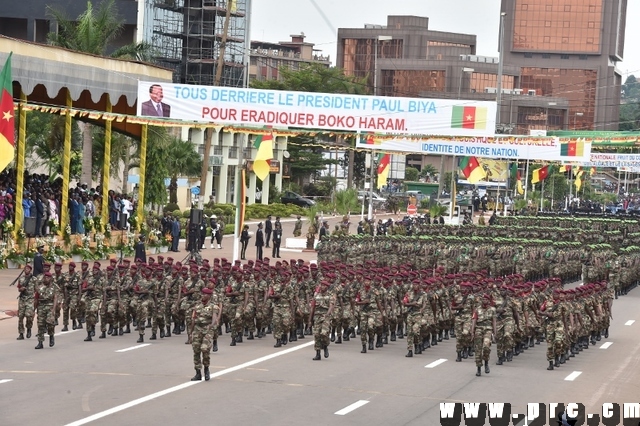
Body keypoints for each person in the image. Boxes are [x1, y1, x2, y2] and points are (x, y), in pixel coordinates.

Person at [189, 287, 222, 381]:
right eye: (202, 294)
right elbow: (193, 319)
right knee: (196, 350)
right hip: (197, 329)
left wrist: (211, 325)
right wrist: (190, 334)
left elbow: (214, 318)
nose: (203, 296)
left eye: (205, 294)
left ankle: (206, 369)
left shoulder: (213, 307)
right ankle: (198, 373)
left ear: (209, 296)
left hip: (208, 329)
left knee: (204, 348)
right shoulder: (197, 306)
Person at [470, 294, 497, 376]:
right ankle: (478, 368)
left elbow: (494, 321)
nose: (484, 300)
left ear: (489, 301)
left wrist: (495, 333)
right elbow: (474, 320)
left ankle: (486, 363)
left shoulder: (492, 309)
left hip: (488, 329)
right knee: (478, 350)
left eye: (486, 299)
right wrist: (472, 331)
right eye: (483, 299)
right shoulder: (477, 309)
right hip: (479, 329)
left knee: (486, 347)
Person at [308, 280, 336, 360]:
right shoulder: (316, 296)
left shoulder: (330, 295)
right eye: (321, 285)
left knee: (324, 333)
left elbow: (331, 306)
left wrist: (327, 314)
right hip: (317, 317)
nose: (322, 287)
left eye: (324, 285)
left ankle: (325, 345)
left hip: (326, 317)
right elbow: (312, 308)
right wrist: (310, 320)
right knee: (317, 335)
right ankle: (318, 353)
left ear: (327, 287)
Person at [34, 272, 58, 349]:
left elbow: (55, 298)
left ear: (50, 279)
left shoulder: (54, 287)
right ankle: (40, 342)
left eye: (48, 277)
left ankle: (51, 336)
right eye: (45, 277)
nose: (46, 279)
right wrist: (33, 310)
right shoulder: (40, 287)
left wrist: (53, 309)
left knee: (50, 323)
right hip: (41, 306)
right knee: (40, 325)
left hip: (50, 306)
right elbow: (36, 299)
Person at [16, 264, 36, 340]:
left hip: (30, 299)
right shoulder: (21, 279)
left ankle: (29, 328)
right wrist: (21, 289)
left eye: (28, 269)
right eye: (25, 269)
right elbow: (18, 288)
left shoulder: (34, 279)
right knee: (20, 317)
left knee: (29, 316)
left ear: (30, 270)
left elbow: (37, 289)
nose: (26, 270)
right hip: (22, 299)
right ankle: (21, 333)